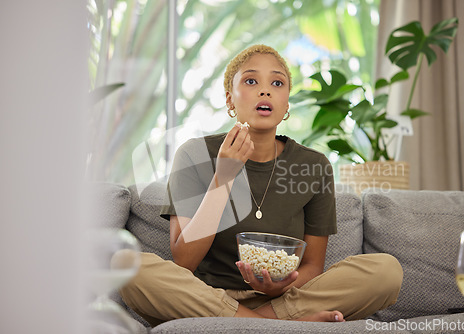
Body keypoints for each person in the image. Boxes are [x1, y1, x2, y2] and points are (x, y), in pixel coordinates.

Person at [120, 44, 403, 327]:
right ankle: (283, 327)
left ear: (286, 104)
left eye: (277, 83)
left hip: (285, 302)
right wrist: (224, 177)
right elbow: (184, 261)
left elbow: (313, 266)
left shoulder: (314, 166)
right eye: (251, 80)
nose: (265, 91)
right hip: (207, 298)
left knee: (386, 271)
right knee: (128, 266)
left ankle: (248, 324)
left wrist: (280, 287)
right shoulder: (194, 155)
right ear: (230, 99)